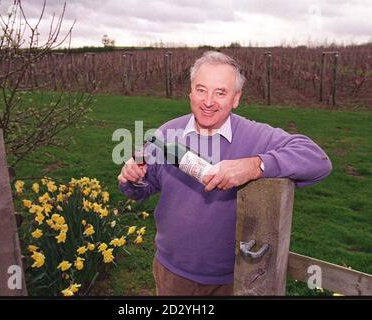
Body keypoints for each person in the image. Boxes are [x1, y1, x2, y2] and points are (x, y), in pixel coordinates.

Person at [117, 51, 332, 296]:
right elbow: (140, 189)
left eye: (220, 92)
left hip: (232, 278)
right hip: (171, 273)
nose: (208, 101)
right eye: (201, 90)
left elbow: (318, 159)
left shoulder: (256, 136)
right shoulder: (168, 133)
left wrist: (254, 165)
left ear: (236, 98)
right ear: (190, 92)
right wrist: (132, 178)